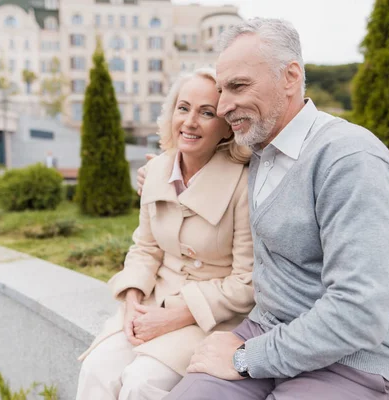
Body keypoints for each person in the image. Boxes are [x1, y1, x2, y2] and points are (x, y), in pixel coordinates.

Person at [140, 18, 389, 400]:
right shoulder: (259, 150)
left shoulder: (351, 161)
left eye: (238, 86)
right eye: (222, 91)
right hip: (265, 333)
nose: (223, 107)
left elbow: (358, 313)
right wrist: (153, 175)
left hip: (353, 363)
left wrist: (246, 358)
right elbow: (199, 162)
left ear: (290, 76)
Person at [75, 68, 255, 400]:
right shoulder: (156, 170)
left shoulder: (244, 185)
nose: (190, 121)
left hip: (209, 318)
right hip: (149, 304)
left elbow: (246, 281)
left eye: (207, 113)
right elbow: (144, 248)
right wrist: (131, 302)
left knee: (142, 383)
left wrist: (176, 316)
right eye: (183, 108)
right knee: (96, 370)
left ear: (227, 128)